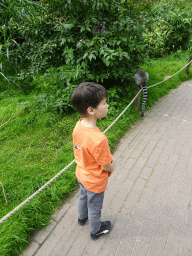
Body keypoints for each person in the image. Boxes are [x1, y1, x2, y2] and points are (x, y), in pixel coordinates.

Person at [71, 82, 115, 240]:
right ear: (91, 110)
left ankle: (82, 218)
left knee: (83, 196)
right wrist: (112, 167)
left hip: (81, 173)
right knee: (95, 207)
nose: (107, 105)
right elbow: (106, 165)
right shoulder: (99, 139)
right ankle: (96, 230)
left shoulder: (78, 125)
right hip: (95, 181)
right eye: (104, 103)